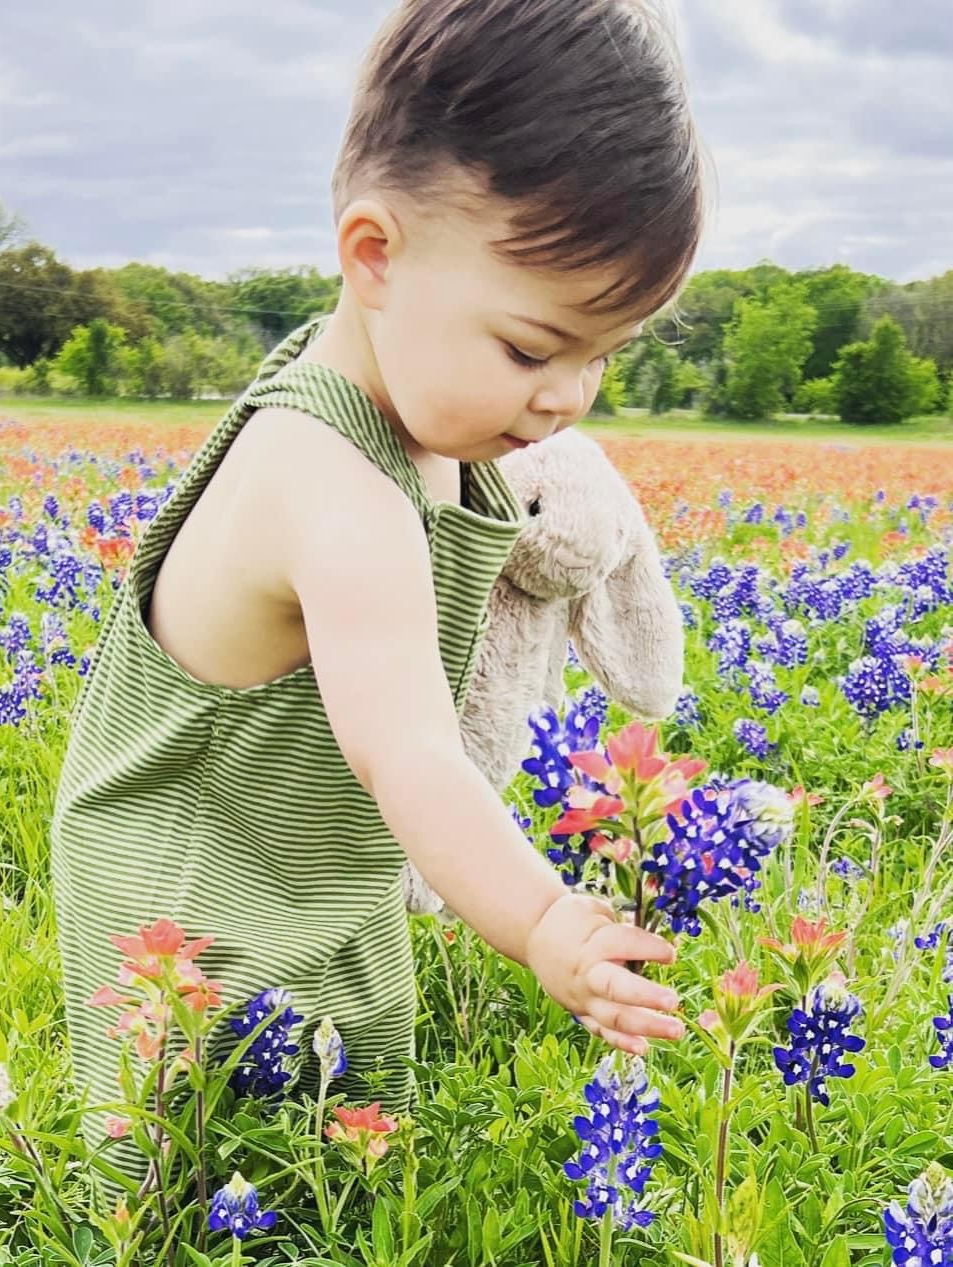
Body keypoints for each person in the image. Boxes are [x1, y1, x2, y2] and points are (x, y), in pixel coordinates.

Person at [49, 0, 708, 1199]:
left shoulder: (421, 404)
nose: (568, 397)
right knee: (191, 1152)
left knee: (345, 1138)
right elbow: (407, 753)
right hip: (197, 870)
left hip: (322, 856)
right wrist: (547, 924)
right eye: (530, 347)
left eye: (601, 353)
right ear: (374, 256)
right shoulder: (330, 484)